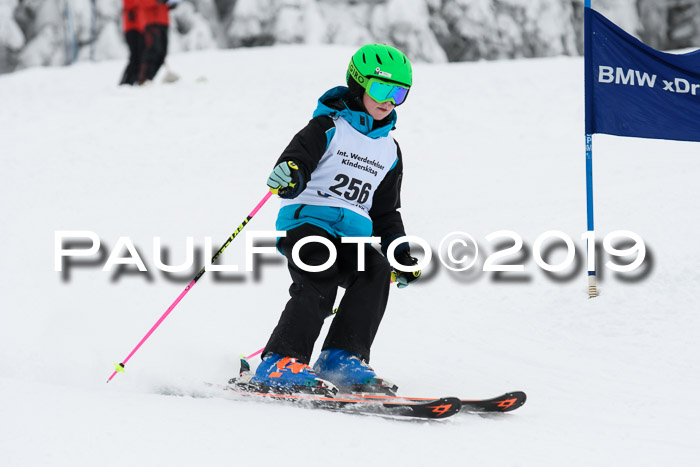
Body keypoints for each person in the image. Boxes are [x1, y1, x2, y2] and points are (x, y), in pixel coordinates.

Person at [251, 44, 422, 395]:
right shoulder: (328, 127)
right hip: (308, 224)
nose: (389, 100)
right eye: (381, 89)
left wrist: (399, 253)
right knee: (320, 271)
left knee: (374, 270)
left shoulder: (389, 150)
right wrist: (291, 175)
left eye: (399, 93)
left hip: (351, 236)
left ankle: (341, 357)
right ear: (358, 85)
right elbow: (297, 159)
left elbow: (387, 212)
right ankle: (279, 361)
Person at [139, 0, 179, 84]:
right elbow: (141, 3)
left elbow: (163, 5)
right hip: (151, 21)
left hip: (163, 21)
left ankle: (149, 79)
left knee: (162, 53)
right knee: (153, 51)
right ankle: (143, 79)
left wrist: (170, 5)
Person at [119, 0, 145, 85]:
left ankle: (134, 80)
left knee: (140, 56)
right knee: (135, 56)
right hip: (131, 27)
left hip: (141, 26)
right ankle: (126, 82)